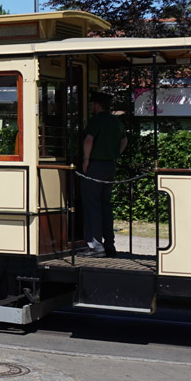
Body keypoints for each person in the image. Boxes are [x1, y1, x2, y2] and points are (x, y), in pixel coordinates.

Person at [80, 91, 127, 257]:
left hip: (96, 166)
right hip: (110, 166)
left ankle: (95, 246)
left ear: (97, 105)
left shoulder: (96, 121)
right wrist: (114, 154)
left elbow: (88, 140)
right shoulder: (116, 121)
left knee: (92, 205)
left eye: (92, 104)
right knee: (106, 206)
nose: (91, 107)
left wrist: (86, 160)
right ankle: (110, 245)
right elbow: (124, 140)